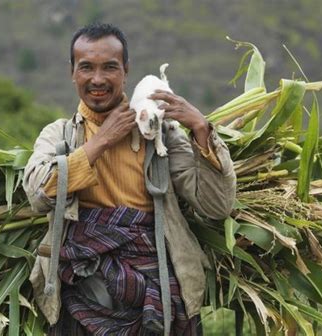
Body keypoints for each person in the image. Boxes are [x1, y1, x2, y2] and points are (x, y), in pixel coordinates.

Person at [23, 23, 236, 335]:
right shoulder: (60, 135)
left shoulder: (159, 134)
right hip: (82, 296)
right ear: (73, 72)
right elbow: (38, 194)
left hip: (157, 290)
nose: (97, 79)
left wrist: (202, 130)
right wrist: (100, 142)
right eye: (86, 68)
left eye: (109, 67)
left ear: (125, 71)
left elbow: (217, 206)